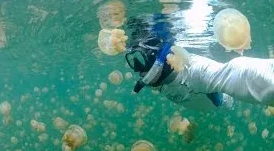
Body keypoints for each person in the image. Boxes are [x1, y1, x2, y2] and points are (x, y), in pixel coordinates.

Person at [98, 13, 274, 111]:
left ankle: (227, 101)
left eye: (141, 57)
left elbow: (238, 74)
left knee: (223, 96)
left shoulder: (195, 70)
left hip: (208, 96)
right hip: (189, 96)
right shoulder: (151, 71)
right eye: (134, 60)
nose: (138, 68)